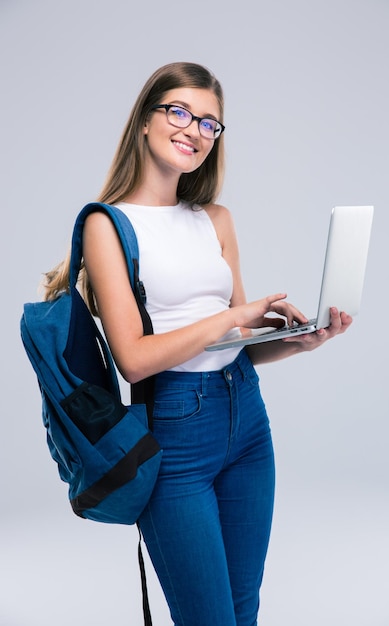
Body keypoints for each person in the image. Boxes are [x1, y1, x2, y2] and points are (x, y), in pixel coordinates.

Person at [44, 61, 351, 626]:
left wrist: (299, 341)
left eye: (210, 123)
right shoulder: (107, 225)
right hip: (176, 433)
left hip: (247, 418)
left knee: (242, 610)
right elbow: (134, 360)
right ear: (144, 119)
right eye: (179, 112)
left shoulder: (216, 219)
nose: (195, 130)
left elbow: (235, 342)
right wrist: (233, 315)